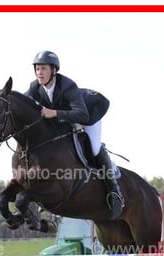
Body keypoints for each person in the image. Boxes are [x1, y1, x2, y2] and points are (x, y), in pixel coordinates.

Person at [25, 50, 124, 219]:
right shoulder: (35, 87)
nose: (39, 72)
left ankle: (115, 191)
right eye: (37, 69)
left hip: (89, 114)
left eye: (43, 68)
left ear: (54, 70)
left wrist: (55, 113)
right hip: (66, 117)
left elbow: (82, 115)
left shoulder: (67, 85)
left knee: (94, 148)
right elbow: (23, 103)